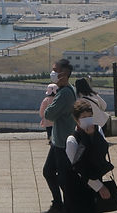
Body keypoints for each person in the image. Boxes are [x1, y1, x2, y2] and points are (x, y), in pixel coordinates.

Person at [65, 99, 115, 213]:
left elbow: (102, 151)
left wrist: (94, 136)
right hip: (79, 187)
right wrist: (100, 187)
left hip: (96, 181)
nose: (88, 120)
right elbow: (80, 169)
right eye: (84, 117)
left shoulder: (98, 130)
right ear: (76, 120)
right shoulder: (72, 141)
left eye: (90, 116)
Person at [42, 58, 76, 213]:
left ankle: (65, 205)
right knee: (50, 172)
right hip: (58, 140)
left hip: (62, 142)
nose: (53, 73)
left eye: (55, 70)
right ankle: (59, 202)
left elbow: (48, 113)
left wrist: (53, 101)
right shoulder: (65, 90)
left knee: (62, 177)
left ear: (64, 74)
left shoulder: (64, 94)